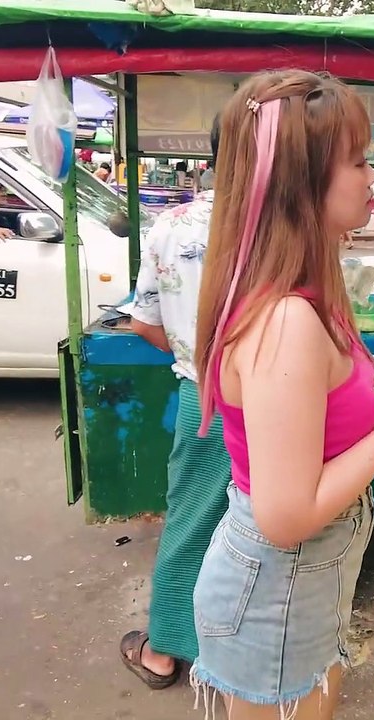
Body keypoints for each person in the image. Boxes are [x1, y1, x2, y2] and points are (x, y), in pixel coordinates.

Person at [189, 71, 374, 720]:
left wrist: (366, 408)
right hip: (277, 587)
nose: (372, 176)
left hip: (304, 584)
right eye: (358, 160)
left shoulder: (310, 296)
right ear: (303, 181)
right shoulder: (287, 317)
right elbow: (285, 516)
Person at [118, 124, 233, 690]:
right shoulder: (285, 226)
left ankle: (163, 651)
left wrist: (196, 353)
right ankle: (227, 651)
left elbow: (143, 322)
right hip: (278, 399)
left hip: (206, 397)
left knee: (190, 523)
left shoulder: (170, 225)